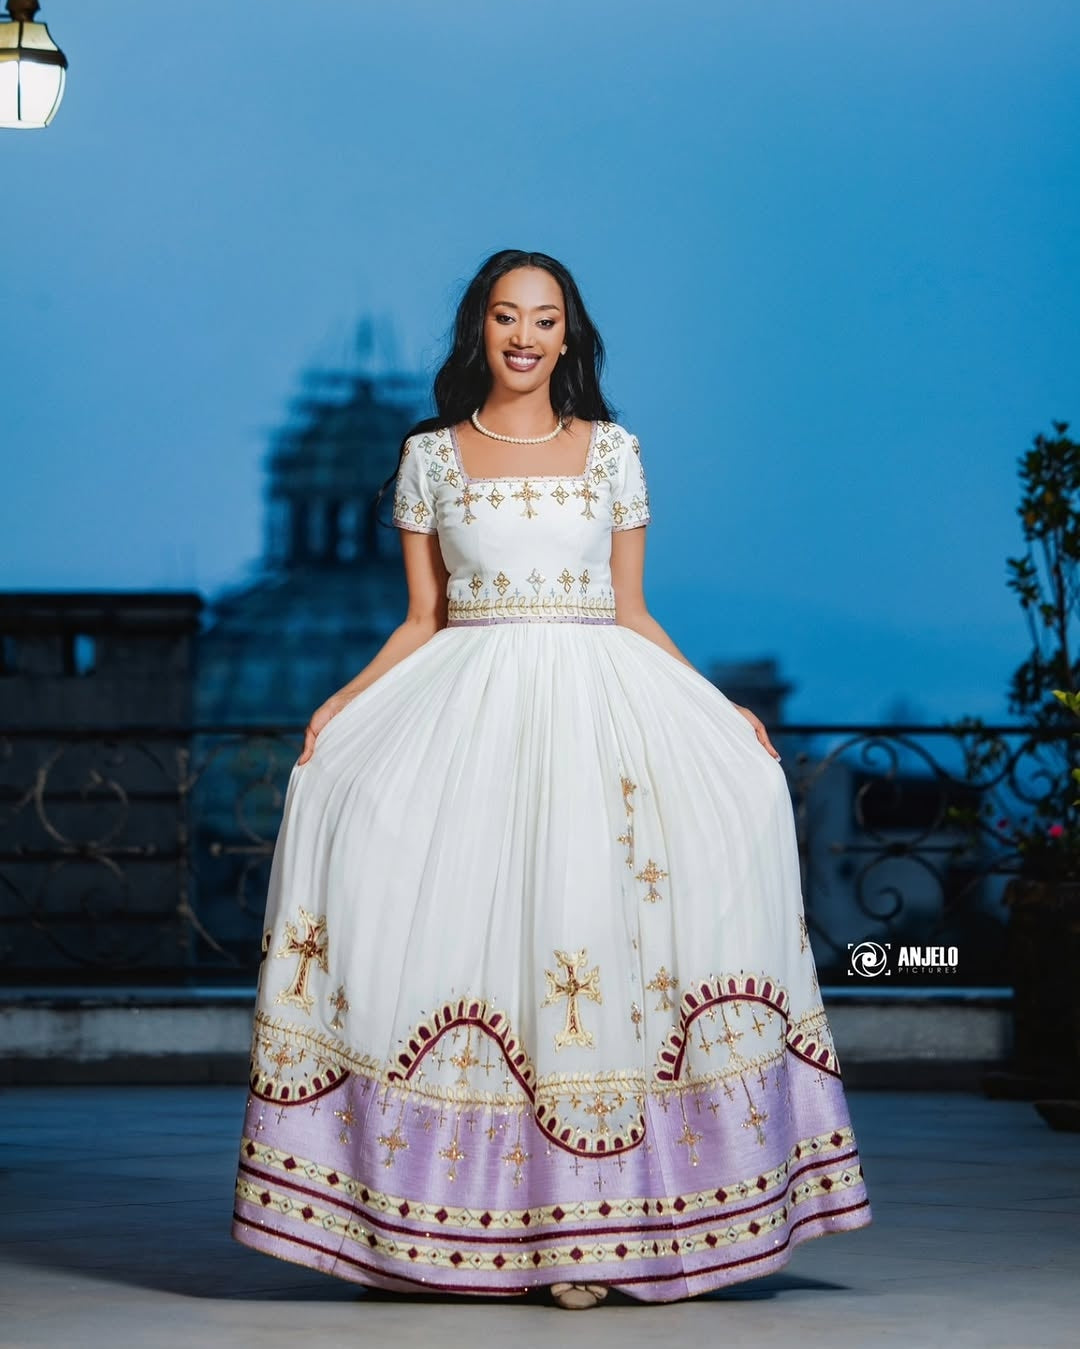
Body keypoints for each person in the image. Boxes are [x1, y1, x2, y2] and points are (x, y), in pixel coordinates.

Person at [231, 249, 872, 1308]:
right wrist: (342, 705)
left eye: (544, 318)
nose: (523, 335)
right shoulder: (429, 456)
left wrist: (722, 709)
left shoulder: (612, 451)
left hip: (594, 717)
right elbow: (423, 618)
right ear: (476, 330)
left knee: (588, 968)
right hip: (469, 717)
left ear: (569, 335)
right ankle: (428, 1222)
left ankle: (593, 1233)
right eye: (503, 316)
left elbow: (631, 610)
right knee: (465, 950)